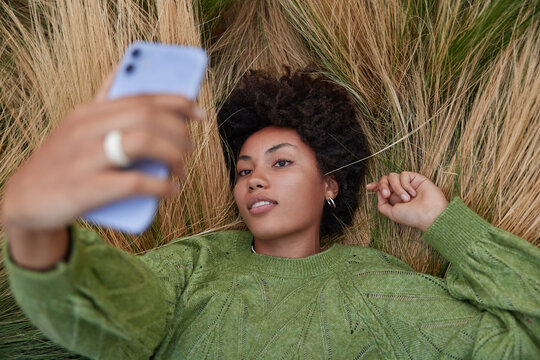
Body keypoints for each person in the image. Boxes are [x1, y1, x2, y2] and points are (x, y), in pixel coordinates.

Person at [1, 66, 538, 359]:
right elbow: (116, 320)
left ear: (330, 182)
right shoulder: (197, 261)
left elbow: (521, 340)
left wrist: (443, 224)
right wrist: (35, 226)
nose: (254, 177)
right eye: (243, 169)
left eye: (281, 162)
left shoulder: (375, 284)